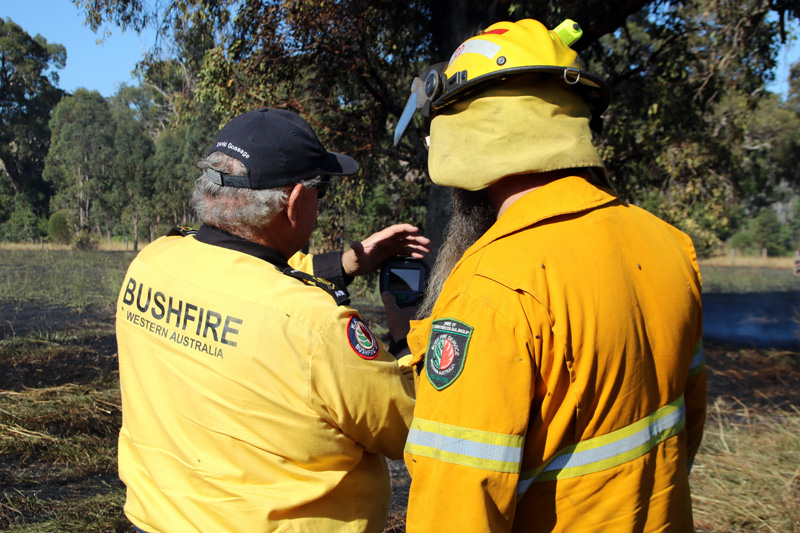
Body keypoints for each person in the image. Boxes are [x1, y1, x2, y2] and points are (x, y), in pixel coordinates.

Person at [394, 19, 707, 531]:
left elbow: (456, 509)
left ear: (464, 133)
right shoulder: (670, 245)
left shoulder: (490, 292)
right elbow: (684, 429)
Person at [116, 107, 430, 533]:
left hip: (153, 521)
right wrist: (405, 333)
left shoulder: (151, 262)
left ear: (212, 191)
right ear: (297, 202)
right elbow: (410, 426)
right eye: (323, 191)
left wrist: (348, 262)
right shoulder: (319, 329)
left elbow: (247, 280)